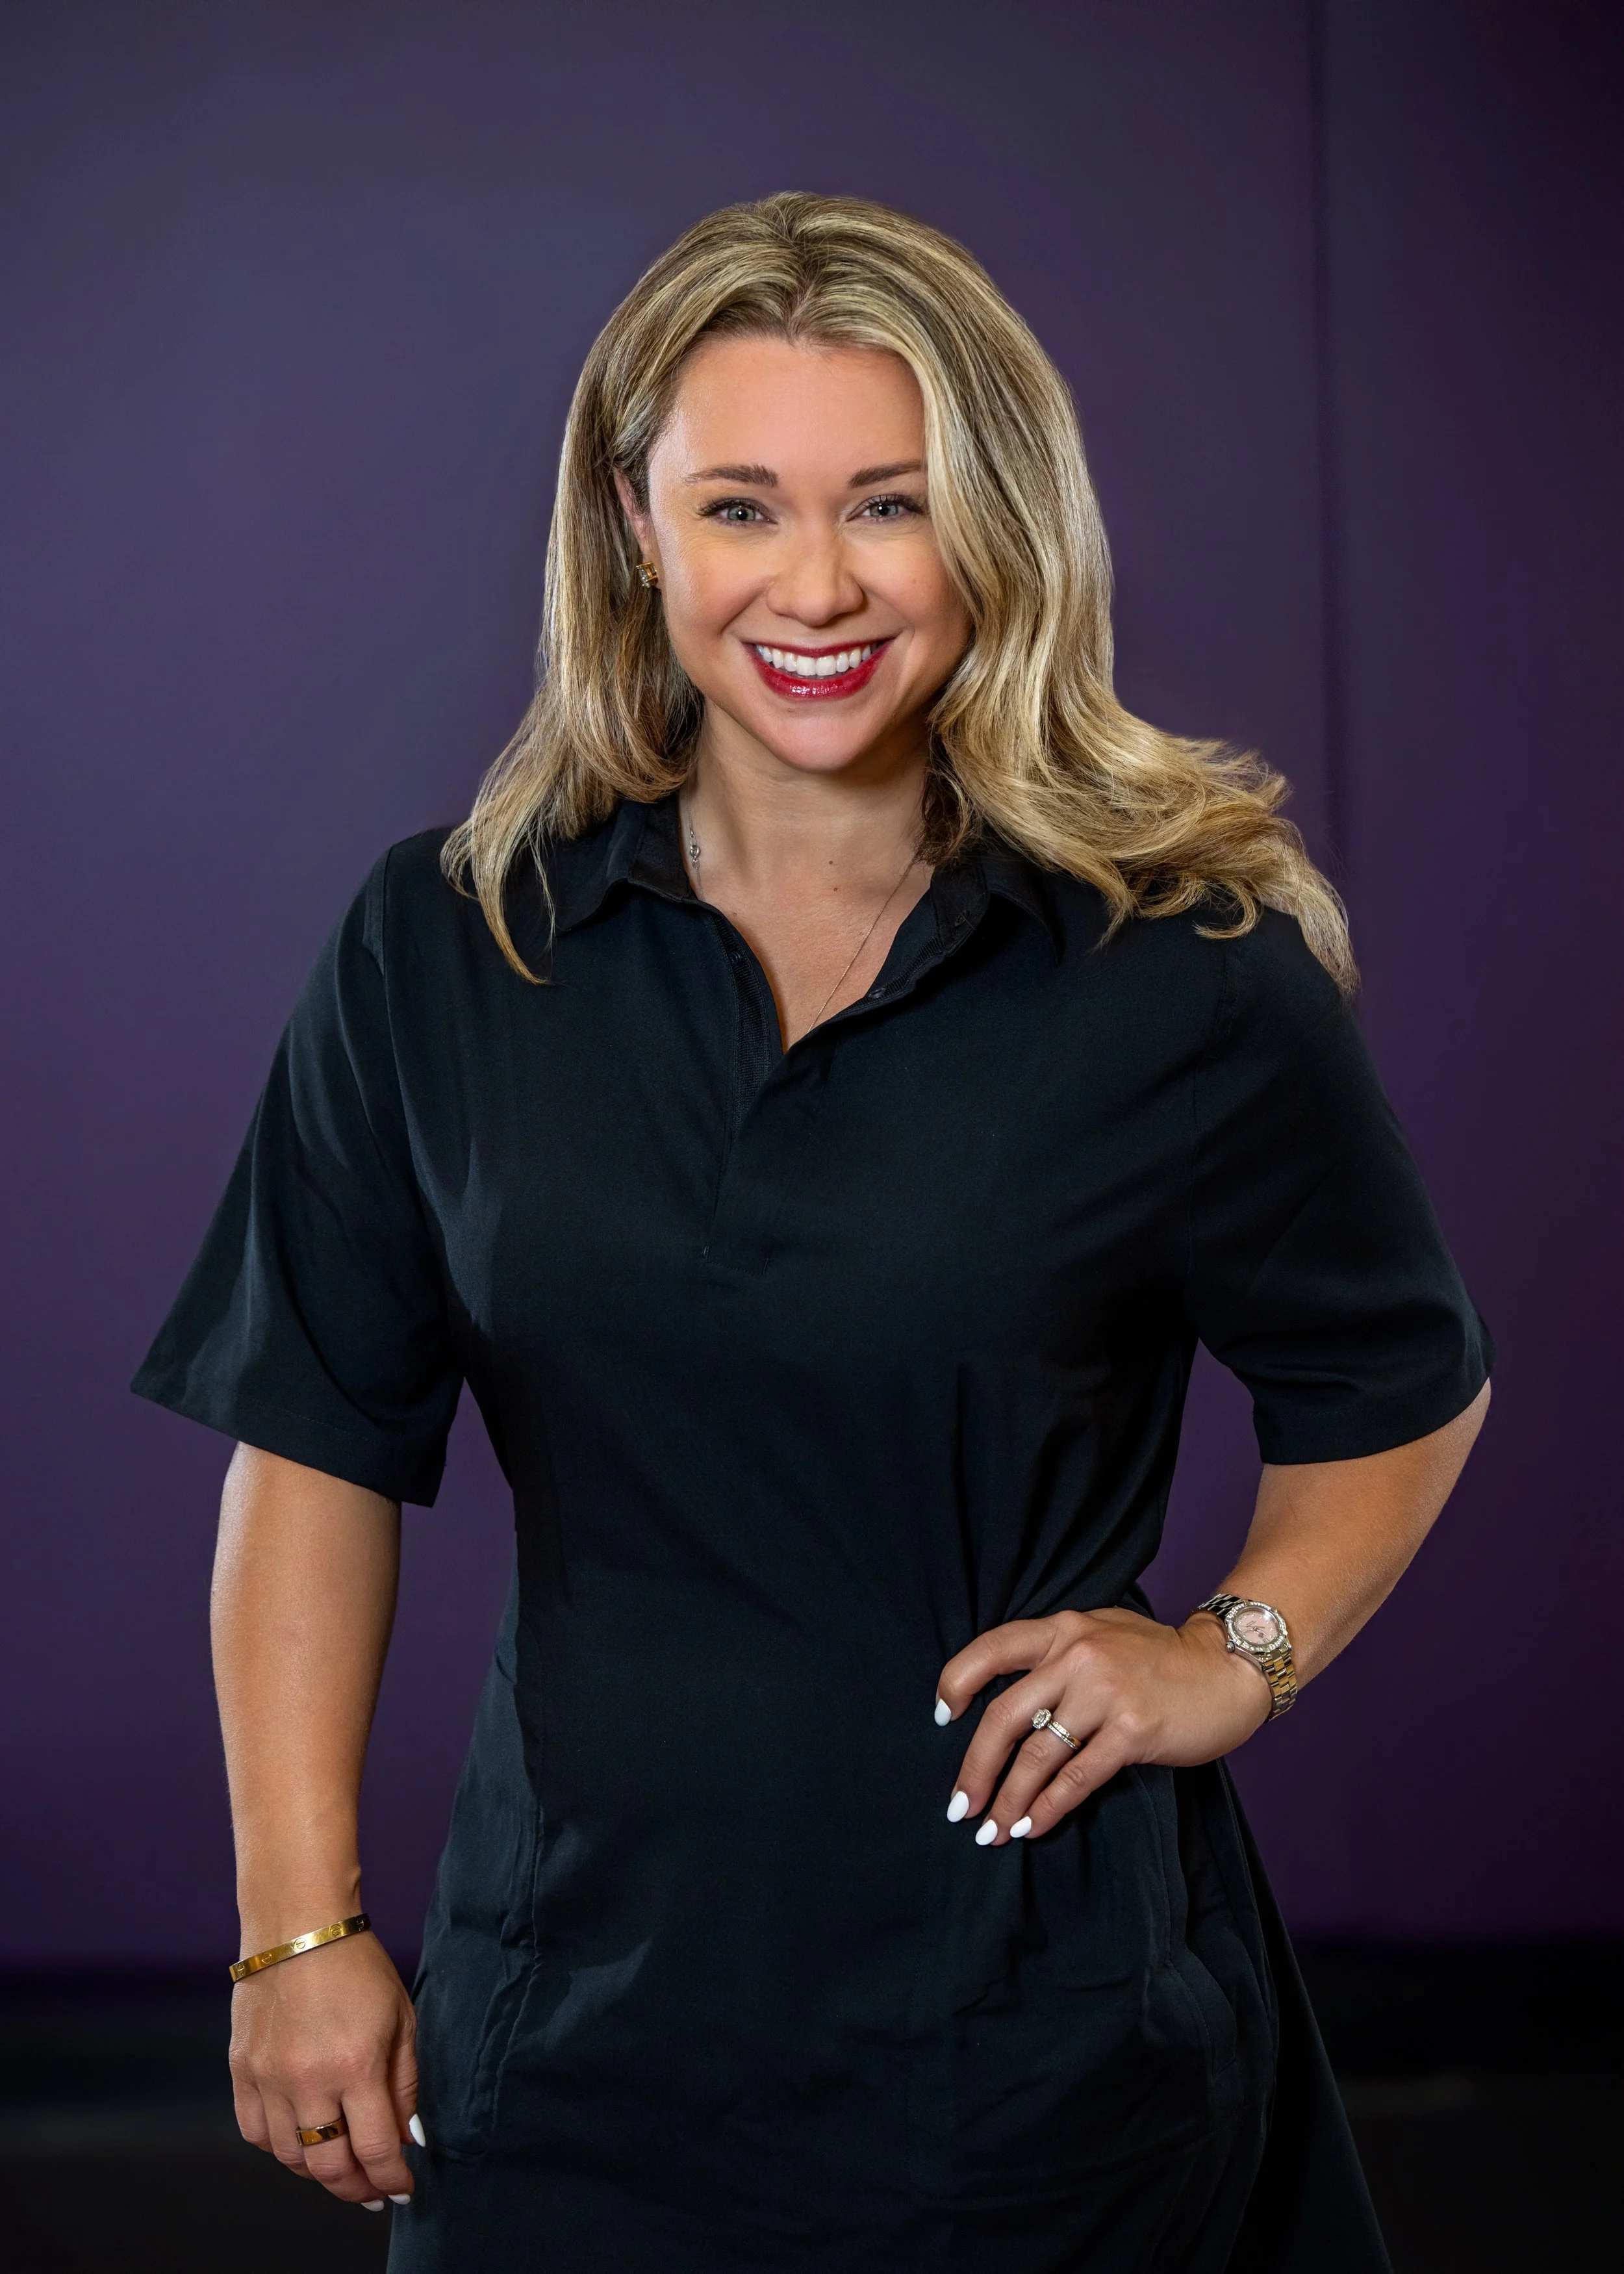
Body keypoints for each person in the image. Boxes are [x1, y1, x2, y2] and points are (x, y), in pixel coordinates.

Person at [134, 192, 1491, 2272]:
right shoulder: (447, 941)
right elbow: (315, 1439)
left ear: (998, 527)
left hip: (1038, 2040)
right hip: (567, 2021)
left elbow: (1397, 1377)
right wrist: (290, 1927)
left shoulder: (1183, 963)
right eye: (743, 505)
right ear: (632, 520)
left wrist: (1233, 1652)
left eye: (891, 504)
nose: (821, 584)